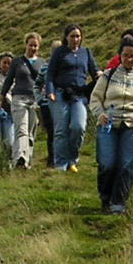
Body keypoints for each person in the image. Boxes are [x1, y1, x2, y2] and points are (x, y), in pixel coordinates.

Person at [91, 37, 133, 214]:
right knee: (107, 163)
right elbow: (95, 98)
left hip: (132, 127)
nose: (128, 59)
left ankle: (119, 202)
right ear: (120, 56)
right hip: (109, 125)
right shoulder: (108, 75)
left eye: (132, 56)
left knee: (127, 164)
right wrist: (100, 114)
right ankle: (105, 197)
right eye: (125, 55)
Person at [47, 24, 98, 172]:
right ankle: (61, 164)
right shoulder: (59, 52)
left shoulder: (86, 52)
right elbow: (50, 73)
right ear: (66, 37)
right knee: (61, 130)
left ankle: (73, 159)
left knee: (78, 127)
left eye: (78, 36)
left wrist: (100, 75)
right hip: (60, 94)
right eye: (72, 36)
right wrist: (50, 91)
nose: (75, 39)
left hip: (79, 95)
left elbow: (94, 71)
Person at [5, 32, 46, 169]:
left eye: (35, 46)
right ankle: (19, 158)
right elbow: (9, 79)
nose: (33, 48)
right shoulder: (17, 61)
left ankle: (27, 161)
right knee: (21, 130)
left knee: (30, 133)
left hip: (34, 100)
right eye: (30, 45)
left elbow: (45, 82)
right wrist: (1, 96)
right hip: (19, 98)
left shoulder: (42, 63)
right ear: (26, 45)